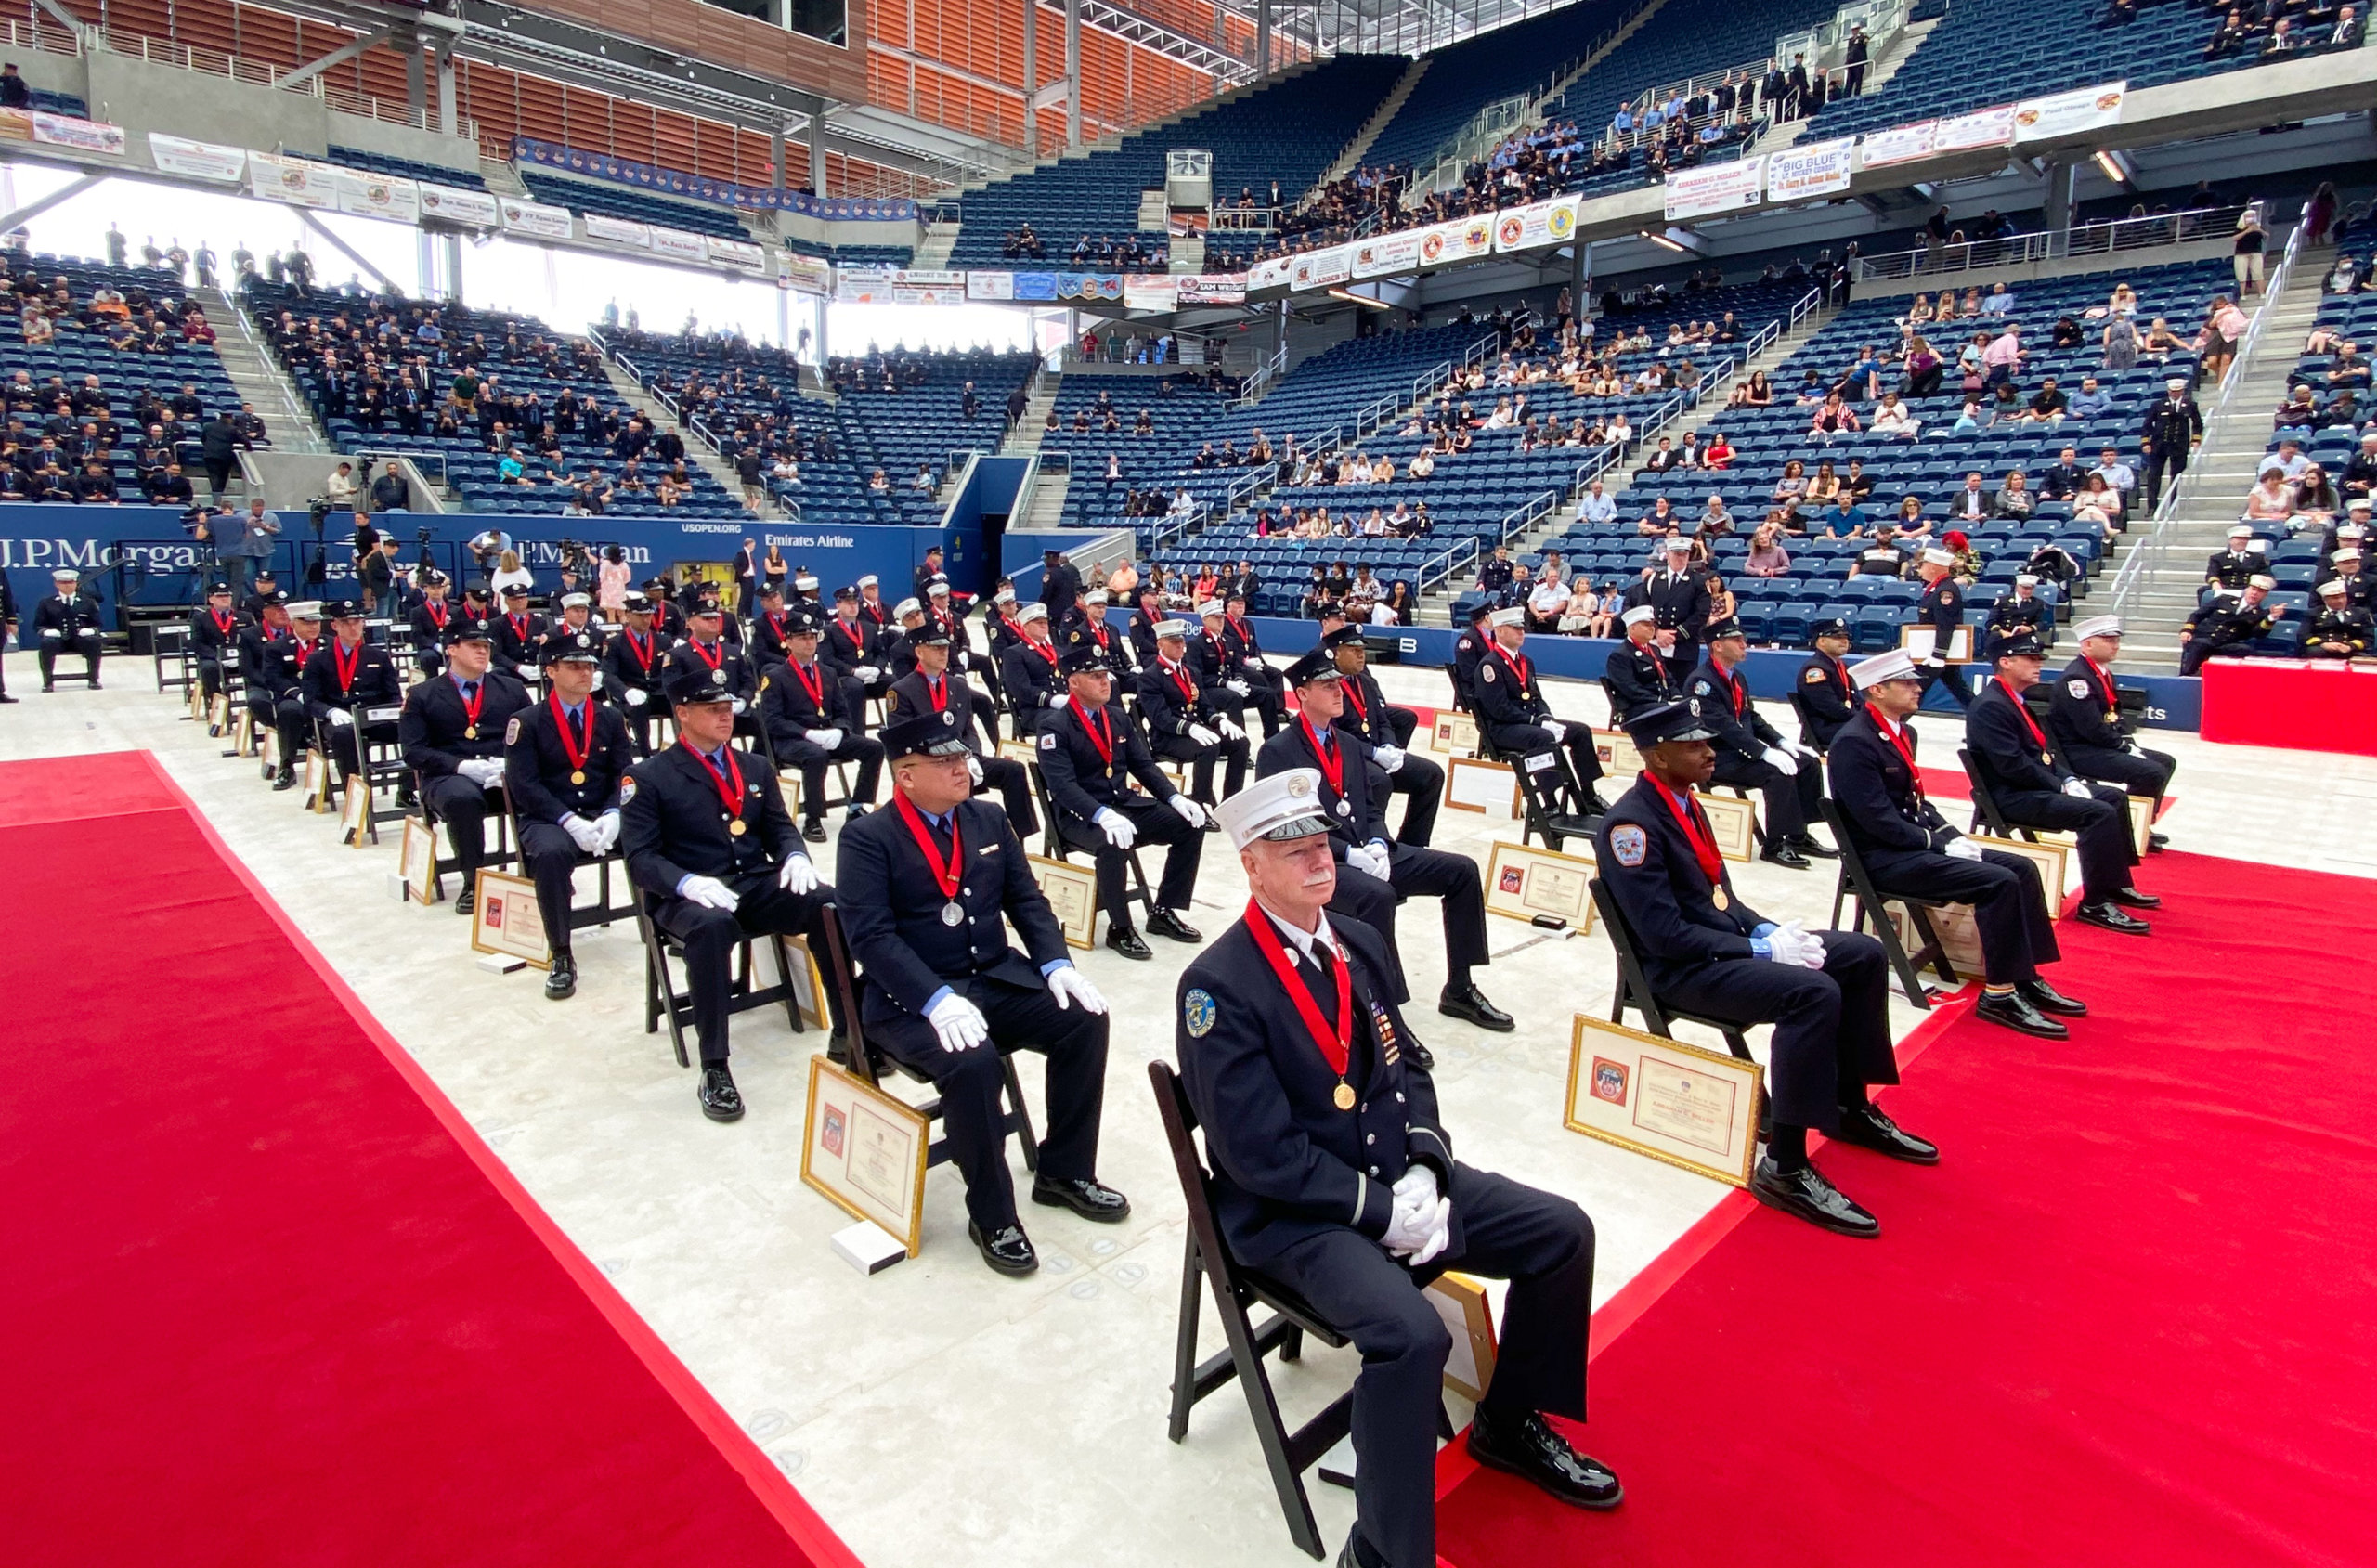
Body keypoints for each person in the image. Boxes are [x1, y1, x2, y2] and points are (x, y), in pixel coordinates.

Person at [1176, 771, 1619, 1568]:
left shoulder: (1358, 940)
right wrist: (1378, 1209)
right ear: (1251, 863)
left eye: (1323, 845)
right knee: (1411, 1336)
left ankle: (1509, 1422)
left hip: (1391, 1174)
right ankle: (1382, 1552)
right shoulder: (1218, 984)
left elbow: (1407, 1067)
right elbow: (1258, 1155)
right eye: (1295, 849)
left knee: (1561, 1232)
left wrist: (1425, 1166)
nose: (1319, 860)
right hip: (1296, 1216)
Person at [1597, 699, 1928, 1239]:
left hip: (1719, 947)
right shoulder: (1631, 826)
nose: (1711, 752)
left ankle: (1848, 1104)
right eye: (1695, 745)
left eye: (1708, 741)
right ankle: (1786, 1165)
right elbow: (1664, 937)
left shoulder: (1684, 802)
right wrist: (1759, 952)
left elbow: (1720, 897)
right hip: (1680, 969)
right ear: (1658, 756)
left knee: (1862, 954)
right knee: (1812, 994)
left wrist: (1768, 930)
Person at [836, 708, 1126, 1276]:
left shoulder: (989, 819)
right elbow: (870, 937)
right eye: (943, 761)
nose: (962, 768)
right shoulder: (868, 839)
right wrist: (934, 999)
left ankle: (1063, 1171)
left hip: (994, 977)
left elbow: (1027, 901)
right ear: (906, 775)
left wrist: (1055, 964)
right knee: (973, 1065)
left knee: (1083, 1021)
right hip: (913, 999)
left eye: (961, 756)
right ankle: (992, 1214)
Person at [620, 656, 850, 1121]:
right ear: (681, 713)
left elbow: (779, 828)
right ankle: (715, 1064)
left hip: (750, 881)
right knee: (710, 929)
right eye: (711, 708)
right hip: (692, 893)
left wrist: (796, 856)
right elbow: (641, 858)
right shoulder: (649, 777)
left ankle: (850, 1030)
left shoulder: (754, 766)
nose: (725, 715)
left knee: (828, 902)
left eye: (727, 706)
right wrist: (685, 882)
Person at [1828, 650, 2085, 1037]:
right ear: (1877, 690)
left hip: (1910, 844)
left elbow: (1917, 800)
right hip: (1883, 857)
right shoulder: (1854, 742)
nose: (1918, 688)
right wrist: (1936, 843)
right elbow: (1876, 819)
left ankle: (2023, 974)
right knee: (1997, 882)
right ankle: (1999, 994)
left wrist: (1950, 834)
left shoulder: (1900, 731)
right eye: (1907, 682)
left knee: (2021, 868)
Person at [1263, 647, 1511, 1030]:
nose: (1339, 692)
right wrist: (1348, 852)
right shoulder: (1278, 752)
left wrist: (1378, 842)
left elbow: (1370, 806)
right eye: (1327, 685)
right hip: (1319, 861)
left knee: (1461, 871)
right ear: (1303, 693)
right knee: (1378, 898)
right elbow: (1285, 826)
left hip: (1369, 848)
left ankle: (1460, 988)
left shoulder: (1345, 744)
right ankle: (1388, 1012)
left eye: (1340, 685)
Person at [1964, 628, 2154, 934]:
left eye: (2039, 658)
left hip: (2032, 785)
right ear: (2006, 662)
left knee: (2112, 799)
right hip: (2012, 795)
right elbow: (2012, 766)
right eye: (2030, 658)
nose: (2038, 664)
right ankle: (2094, 903)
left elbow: (2043, 753)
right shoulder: (1991, 706)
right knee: (2097, 813)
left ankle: (2113, 883)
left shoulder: (2012, 699)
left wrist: (2068, 777)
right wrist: (2060, 785)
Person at [1035, 632, 1208, 960]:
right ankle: (1120, 927)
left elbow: (1144, 765)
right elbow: (1062, 786)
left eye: (1106, 676)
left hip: (1123, 804)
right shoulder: (1054, 727)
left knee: (1189, 826)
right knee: (1113, 842)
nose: (1106, 683)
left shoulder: (1116, 716)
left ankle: (1164, 910)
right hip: (1080, 816)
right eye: (1096, 676)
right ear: (1073, 682)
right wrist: (1101, 814)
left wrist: (1175, 799)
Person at [400, 617, 536, 917]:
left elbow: (533, 734)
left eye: (486, 646)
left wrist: (510, 762)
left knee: (536, 789)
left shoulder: (511, 688)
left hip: (499, 769)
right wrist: (460, 766)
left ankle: (540, 872)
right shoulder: (423, 695)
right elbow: (413, 751)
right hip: (448, 774)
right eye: (474, 645)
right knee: (463, 799)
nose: (483, 652)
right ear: (451, 649)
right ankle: (473, 880)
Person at [1688, 617, 1832, 867]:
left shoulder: (1736, 676)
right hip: (1716, 755)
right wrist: (1763, 752)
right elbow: (1724, 726)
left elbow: (1749, 716)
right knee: (1777, 773)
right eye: (1737, 640)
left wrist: (1781, 741)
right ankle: (1775, 844)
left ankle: (1799, 833)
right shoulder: (1702, 682)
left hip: (1740, 751)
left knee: (1806, 763)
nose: (1744, 644)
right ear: (1717, 646)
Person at [884, 617, 1038, 839]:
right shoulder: (901, 691)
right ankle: (967, 838)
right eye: (936, 648)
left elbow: (968, 729)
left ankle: (1019, 840)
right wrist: (944, 761)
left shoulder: (957, 686)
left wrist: (973, 755)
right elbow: (903, 742)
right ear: (919, 652)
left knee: (1012, 771)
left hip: (961, 757)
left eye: (945, 647)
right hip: (928, 763)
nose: (943, 653)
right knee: (958, 785)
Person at [2047, 616, 2175, 849]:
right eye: (2107, 640)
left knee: (2165, 762)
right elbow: (2091, 728)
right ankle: (2131, 831)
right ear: (2087, 645)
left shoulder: (2101, 672)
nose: (2114, 645)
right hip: (2080, 750)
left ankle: (2142, 824)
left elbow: (2114, 714)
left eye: (2116, 640)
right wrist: (2123, 747)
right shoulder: (2077, 679)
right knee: (2150, 771)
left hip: (2100, 744)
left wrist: (2126, 740)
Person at [757, 610, 882, 841]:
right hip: (792, 740)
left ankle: (857, 806)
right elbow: (772, 721)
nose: (809, 642)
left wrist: (841, 729)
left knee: (874, 748)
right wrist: (806, 733)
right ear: (789, 642)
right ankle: (813, 819)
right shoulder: (776, 676)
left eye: (812, 637)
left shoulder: (827, 672)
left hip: (826, 733)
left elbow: (842, 711)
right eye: (803, 638)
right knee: (816, 756)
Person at [1471, 607, 1609, 816]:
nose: (1521, 632)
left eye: (1522, 628)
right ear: (1499, 631)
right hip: (1502, 728)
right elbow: (1499, 709)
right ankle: (1550, 801)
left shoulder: (1526, 662)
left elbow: (1536, 697)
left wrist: (1547, 717)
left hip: (1529, 722)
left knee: (1580, 731)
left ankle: (1588, 796)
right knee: (1542, 737)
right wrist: (1537, 722)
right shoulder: (1490, 665)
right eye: (1515, 628)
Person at [1325, 623, 1436, 847]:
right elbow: (1333, 734)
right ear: (1336, 653)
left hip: (1376, 751)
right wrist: (1373, 752)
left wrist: (1390, 746)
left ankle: (1413, 842)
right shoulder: (1328, 686)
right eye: (1354, 650)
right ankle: (1369, 841)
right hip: (1347, 756)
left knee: (1432, 775)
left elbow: (1383, 720)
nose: (1361, 655)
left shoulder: (1364, 681)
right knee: (1380, 781)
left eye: (1362, 650)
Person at [1137, 617, 1249, 810]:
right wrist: (1190, 729)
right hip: (1169, 736)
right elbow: (1160, 718)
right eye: (1174, 642)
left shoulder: (1191, 672)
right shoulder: (1150, 677)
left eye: (1181, 641)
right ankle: (1202, 801)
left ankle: (1232, 800)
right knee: (1208, 748)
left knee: (1240, 743)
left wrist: (1219, 721)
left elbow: (1204, 706)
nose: (1180, 646)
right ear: (1160, 644)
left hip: (1196, 728)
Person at [302, 598, 404, 789]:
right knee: (344, 734)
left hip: (373, 716)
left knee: (415, 729)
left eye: (357, 622)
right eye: (345, 623)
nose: (352, 628)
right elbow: (311, 700)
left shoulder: (378, 656)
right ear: (334, 625)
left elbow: (393, 695)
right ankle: (353, 787)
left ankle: (407, 788)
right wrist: (330, 712)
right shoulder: (318, 659)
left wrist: (392, 712)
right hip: (340, 718)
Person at [1910, 546, 1975, 708]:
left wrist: (1939, 654)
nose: (1920, 570)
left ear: (1932, 567)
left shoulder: (1945, 590)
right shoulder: (1935, 587)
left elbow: (1946, 624)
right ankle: (1985, 718)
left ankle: (1892, 727)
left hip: (1936, 653)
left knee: (1914, 691)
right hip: (1934, 651)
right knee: (1960, 690)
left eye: (1922, 565)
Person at [2179, 575, 2282, 675]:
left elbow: (2259, 633)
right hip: (2204, 637)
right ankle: (2187, 675)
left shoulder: (2260, 614)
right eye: (2253, 589)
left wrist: (2272, 618)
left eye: (2260, 591)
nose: (2255, 593)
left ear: (2265, 595)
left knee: (2244, 649)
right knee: (2202, 644)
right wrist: (2187, 630)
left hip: (2224, 644)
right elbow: (2197, 615)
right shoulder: (2224, 600)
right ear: (2247, 589)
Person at [32, 566, 105, 691]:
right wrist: (47, 631)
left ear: (76, 583)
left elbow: (97, 624)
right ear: (56, 584)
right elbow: (38, 625)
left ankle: (93, 678)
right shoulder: (47, 603)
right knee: (47, 644)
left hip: (80, 639)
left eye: (70, 582)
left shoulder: (87, 601)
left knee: (93, 641)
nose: (67, 585)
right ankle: (48, 681)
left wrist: (91, 630)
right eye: (63, 582)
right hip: (59, 640)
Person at [1794, 617, 1861, 750]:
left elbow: (1856, 700)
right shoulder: (1815, 670)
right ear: (1821, 641)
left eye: (1846, 637)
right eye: (1837, 637)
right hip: (1827, 728)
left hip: (1844, 724)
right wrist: (1865, 719)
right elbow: (1832, 709)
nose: (1844, 641)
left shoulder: (1842, 667)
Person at [2138, 376, 2203, 512]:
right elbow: (2147, 424)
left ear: (2182, 391)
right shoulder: (2158, 404)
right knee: (2154, 476)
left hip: (2179, 444)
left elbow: (2197, 423)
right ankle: (2152, 506)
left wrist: (2195, 440)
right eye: (2173, 391)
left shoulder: (2190, 404)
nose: (2175, 393)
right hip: (2159, 444)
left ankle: (2173, 504)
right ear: (2168, 391)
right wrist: (2146, 441)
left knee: (2176, 475)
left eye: (2178, 391)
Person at [187, 578, 246, 719]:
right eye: (220, 596)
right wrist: (216, 656)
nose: (224, 599)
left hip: (239, 656)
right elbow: (196, 643)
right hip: (213, 657)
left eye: (227, 595)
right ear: (211, 599)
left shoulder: (245, 617)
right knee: (209, 668)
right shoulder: (201, 618)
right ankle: (217, 702)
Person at [2306, 577, 2374, 655]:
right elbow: (2304, 636)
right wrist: (2323, 644)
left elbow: (2368, 638)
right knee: (2314, 652)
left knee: (2363, 658)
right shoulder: (2313, 613)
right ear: (2325, 599)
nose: (2340, 601)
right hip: (2322, 649)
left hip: (2350, 650)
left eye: (2343, 596)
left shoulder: (2361, 613)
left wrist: (2350, 646)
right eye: (2335, 598)